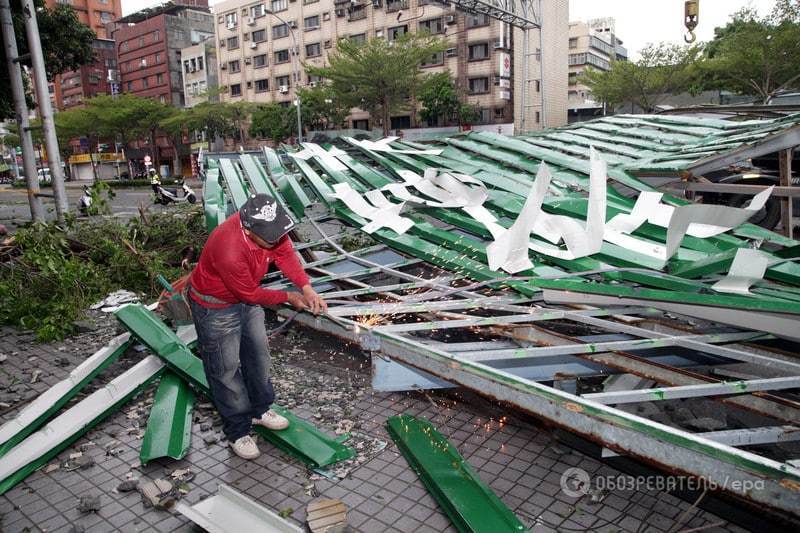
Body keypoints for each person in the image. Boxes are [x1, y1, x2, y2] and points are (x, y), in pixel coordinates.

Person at [187, 194, 327, 459]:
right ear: (249, 230)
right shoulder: (229, 248)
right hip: (216, 306)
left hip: (245, 299)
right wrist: (290, 297)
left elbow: (285, 254)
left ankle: (260, 411)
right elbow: (250, 294)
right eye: (270, 238)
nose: (276, 240)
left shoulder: (270, 230)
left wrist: (306, 287)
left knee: (258, 355)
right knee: (225, 370)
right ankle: (238, 432)